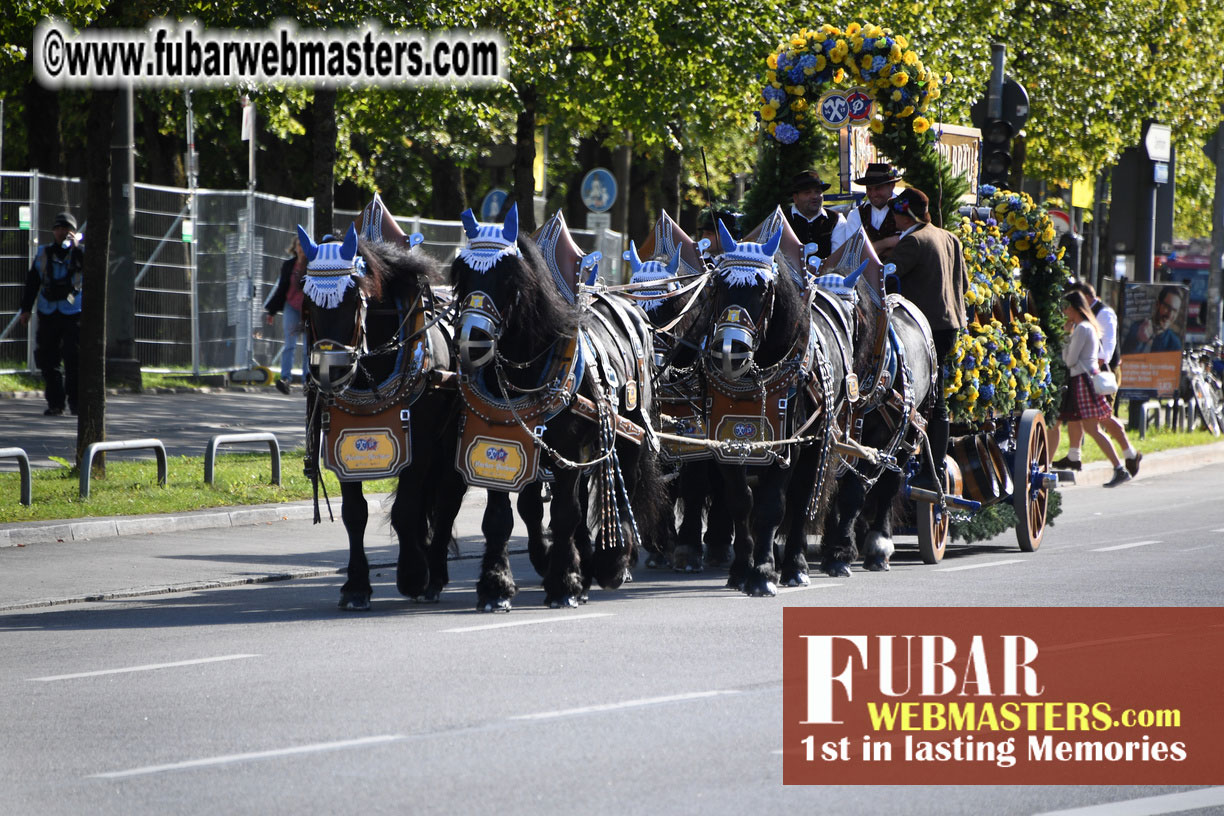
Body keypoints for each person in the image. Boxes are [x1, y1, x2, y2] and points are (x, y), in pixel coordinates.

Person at [885, 188, 968, 488]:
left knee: (924, 398)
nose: (893, 218)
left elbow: (885, 277)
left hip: (922, 331)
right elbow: (965, 282)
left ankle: (926, 470)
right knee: (937, 397)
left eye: (896, 213)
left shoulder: (913, 242)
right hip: (950, 326)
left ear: (906, 214)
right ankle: (934, 465)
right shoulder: (950, 238)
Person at [1051, 282, 1142, 476]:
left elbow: (1103, 350)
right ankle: (1075, 456)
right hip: (1087, 375)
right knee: (1080, 419)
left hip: (1094, 376)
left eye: (1066, 307)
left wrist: (1069, 340)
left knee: (1101, 420)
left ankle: (1127, 457)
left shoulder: (1101, 316)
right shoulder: (1084, 324)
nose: (1063, 311)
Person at [18, 211, 84, 416]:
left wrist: (76, 247)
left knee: (74, 359)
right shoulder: (43, 253)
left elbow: (89, 272)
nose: (62, 232)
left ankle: (76, 402)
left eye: (67, 228)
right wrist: (26, 309)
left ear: (73, 232)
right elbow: (32, 283)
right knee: (47, 359)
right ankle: (55, 403)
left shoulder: (81, 253)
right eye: (58, 228)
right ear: (53, 231)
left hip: (73, 313)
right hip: (48, 312)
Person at [264, 234, 308, 394]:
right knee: (289, 344)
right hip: (291, 307)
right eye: (299, 246)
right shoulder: (289, 265)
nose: (301, 249)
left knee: (307, 348)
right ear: (295, 248)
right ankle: (285, 379)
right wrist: (272, 311)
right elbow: (282, 288)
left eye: (304, 246)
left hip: (308, 310)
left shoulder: (313, 265)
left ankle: (307, 381)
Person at [841, 162, 904, 260]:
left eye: (878, 188)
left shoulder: (905, 210)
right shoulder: (856, 215)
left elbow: (907, 249)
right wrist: (888, 243)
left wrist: (868, 249)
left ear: (892, 186)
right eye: (869, 189)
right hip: (866, 274)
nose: (873, 194)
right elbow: (853, 254)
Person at [784, 170, 847, 262]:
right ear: (795, 198)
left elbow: (838, 258)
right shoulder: (783, 220)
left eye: (818, 192)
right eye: (807, 193)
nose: (814, 196)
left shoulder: (836, 220)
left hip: (827, 275)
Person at [1122, 285, 1183, 354]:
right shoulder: (1137, 327)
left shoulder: (1174, 343)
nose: (1170, 315)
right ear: (1157, 304)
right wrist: (1138, 339)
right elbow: (1124, 357)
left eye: (1174, 311)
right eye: (1167, 307)